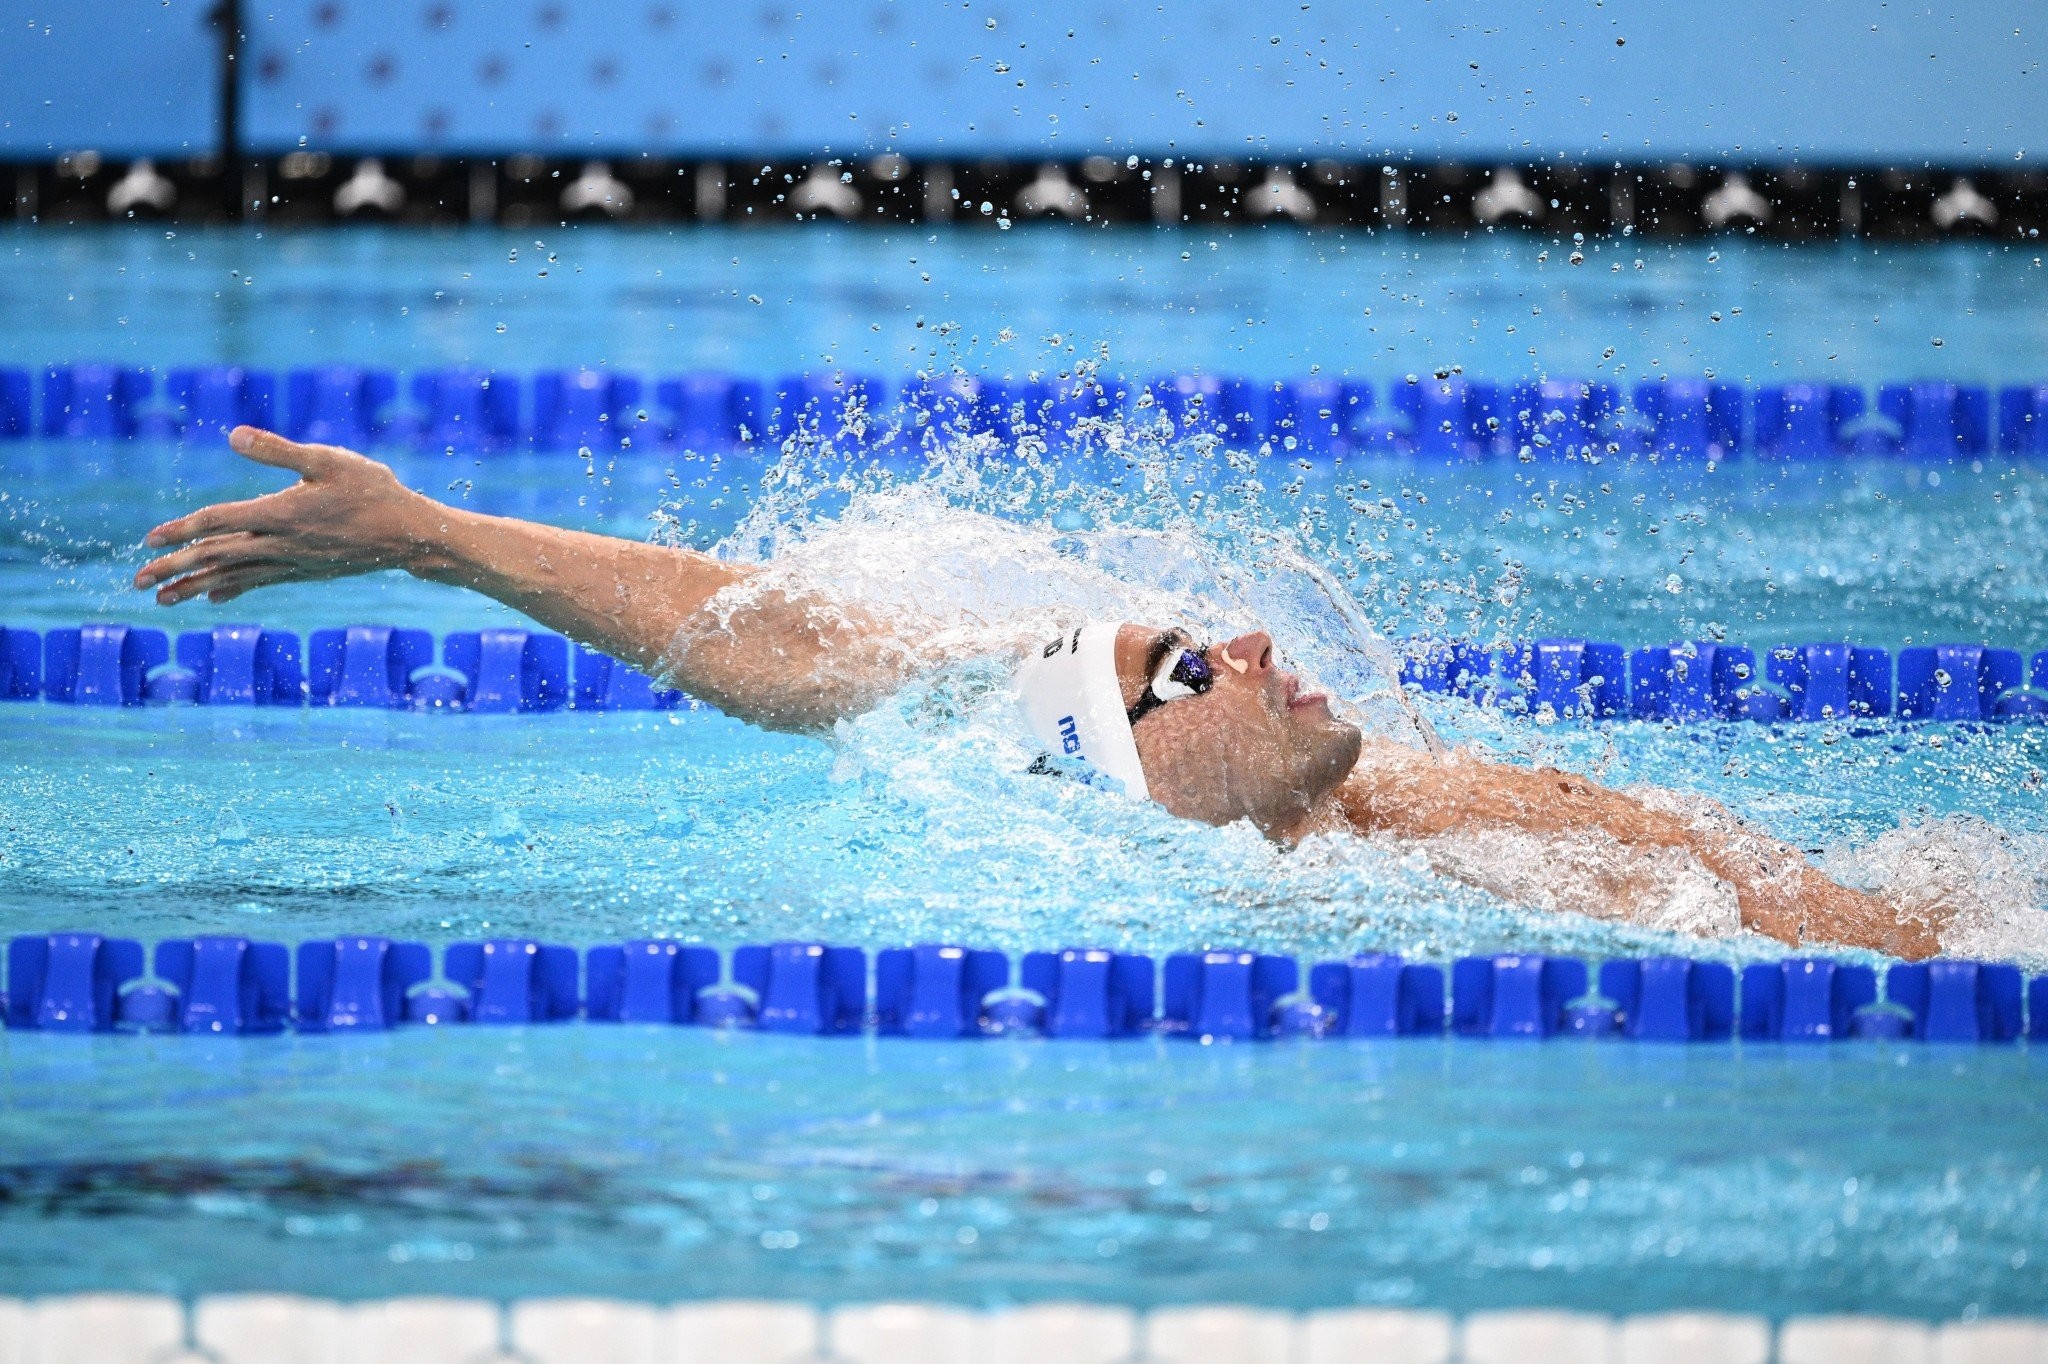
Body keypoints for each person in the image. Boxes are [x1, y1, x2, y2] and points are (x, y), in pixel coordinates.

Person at [134, 426, 1943, 960]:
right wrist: (433, 544)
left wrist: (442, 534)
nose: (1236, 640)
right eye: (1180, 672)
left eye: (1199, 640)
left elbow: (800, 645)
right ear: (1141, 786)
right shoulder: (1358, 893)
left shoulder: (1363, 822)